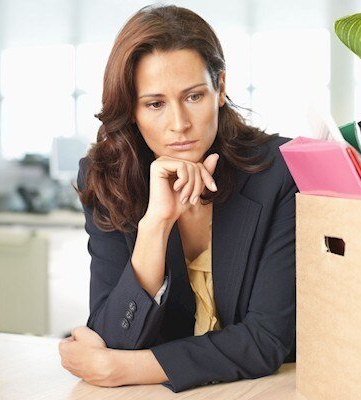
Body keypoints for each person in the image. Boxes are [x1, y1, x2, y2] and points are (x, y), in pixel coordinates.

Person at [58, 4, 297, 393]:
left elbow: (266, 340)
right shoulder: (105, 178)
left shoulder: (279, 172)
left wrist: (125, 369)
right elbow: (112, 336)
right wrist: (155, 224)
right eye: (155, 104)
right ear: (130, 109)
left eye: (194, 96)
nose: (179, 124)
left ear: (220, 88)